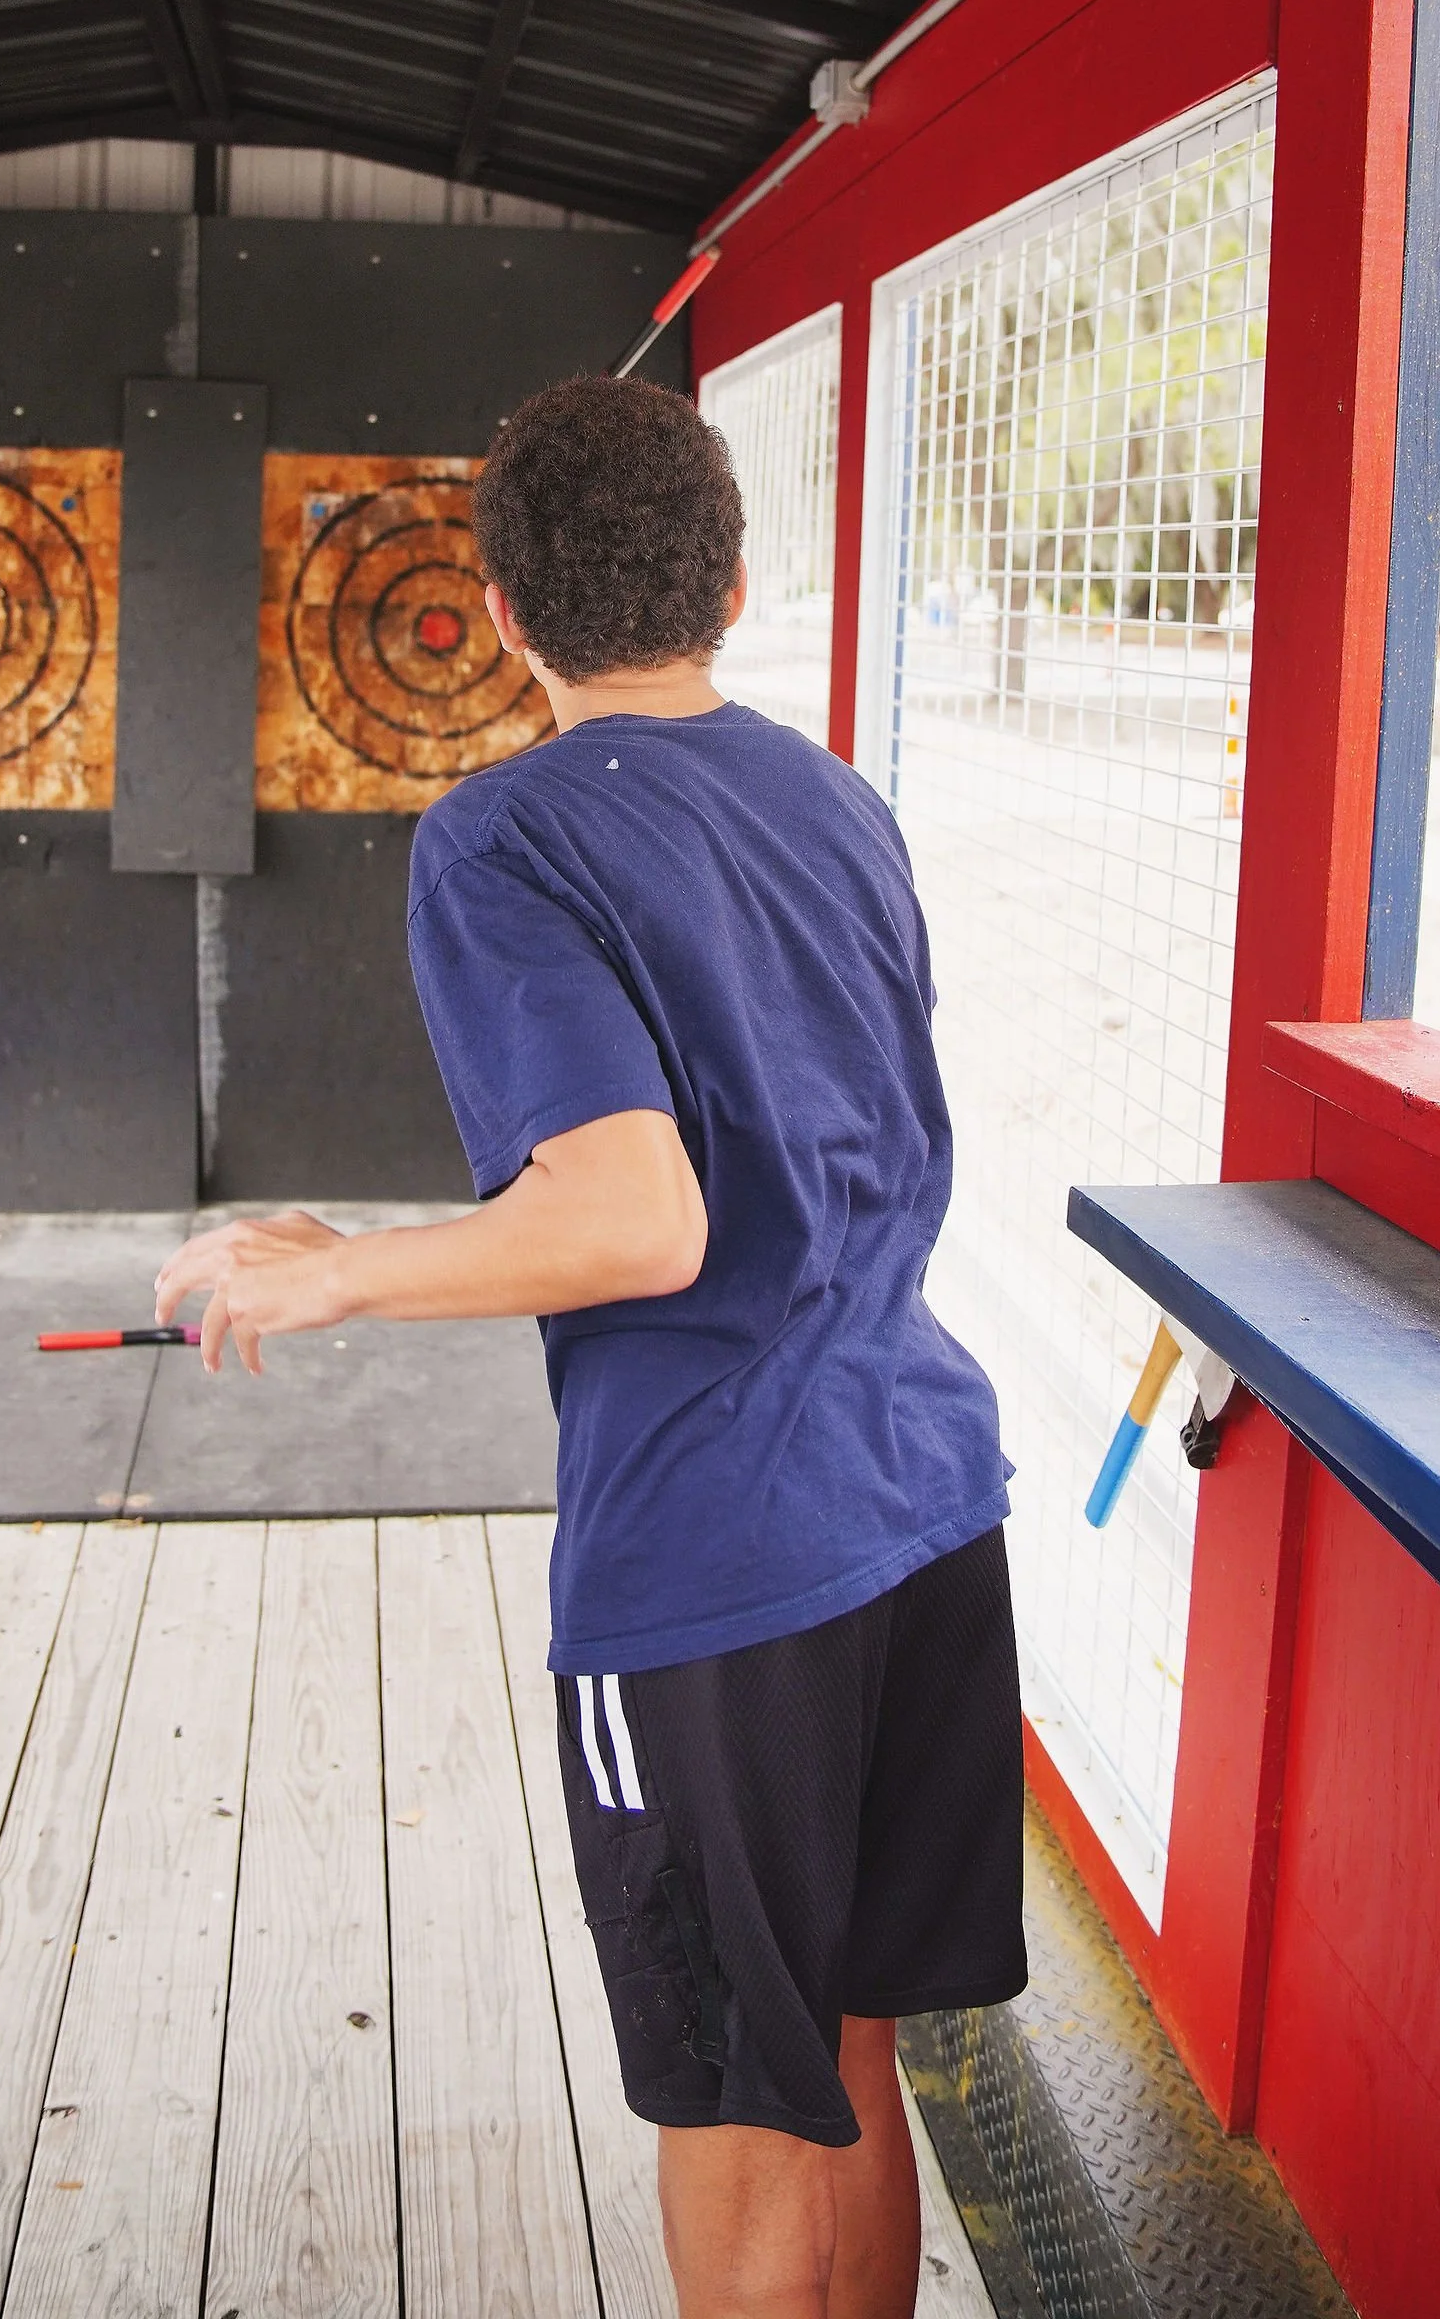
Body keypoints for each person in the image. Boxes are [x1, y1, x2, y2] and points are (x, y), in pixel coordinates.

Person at [154, 373, 1024, 2319]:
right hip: (920, 1489)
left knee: (732, 2096)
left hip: (721, 1558)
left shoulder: (505, 839)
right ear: (728, 579)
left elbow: (635, 1221)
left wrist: (338, 1275)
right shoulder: (837, 799)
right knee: (849, 2051)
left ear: (503, 610)